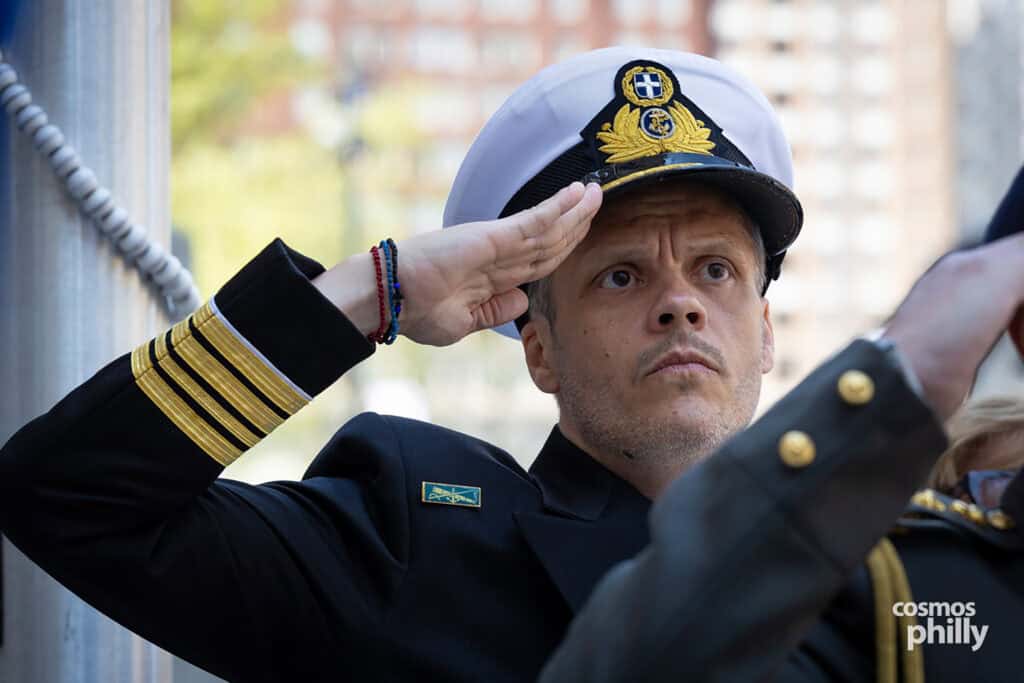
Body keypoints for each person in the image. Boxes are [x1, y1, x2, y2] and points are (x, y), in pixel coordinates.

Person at [0, 45, 1020, 682]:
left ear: (762, 326)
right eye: (618, 276)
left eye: (714, 268)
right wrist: (375, 291)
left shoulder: (905, 567)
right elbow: (70, 493)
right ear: (536, 345)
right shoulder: (412, 537)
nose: (677, 298)